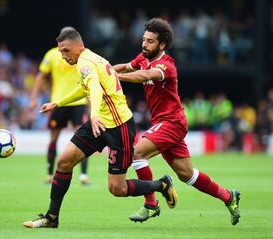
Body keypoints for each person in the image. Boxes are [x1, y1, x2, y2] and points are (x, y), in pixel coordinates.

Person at [23, 26, 177, 228]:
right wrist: (58, 103)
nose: (63, 56)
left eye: (66, 51)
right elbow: (85, 87)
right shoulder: (89, 59)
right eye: (60, 51)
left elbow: (94, 87)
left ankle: (161, 184)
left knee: (117, 189)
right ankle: (51, 218)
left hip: (118, 126)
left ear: (79, 46)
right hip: (100, 122)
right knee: (64, 162)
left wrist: (94, 114)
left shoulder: (85, 63)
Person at [113, 18, 241, 225]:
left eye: (150, 41)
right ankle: (229, 196)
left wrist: (114, 77)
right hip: (166, 123)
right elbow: (127, 67)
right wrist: (105, 69)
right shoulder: (143, 57)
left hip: (172, 122)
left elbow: (143, 75)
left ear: (162, 44)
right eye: (144, 39)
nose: (144, 44)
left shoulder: (166, 66)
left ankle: (151, 204)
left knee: (137, 153)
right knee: (187, 175)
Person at [30, 43, 89, 185]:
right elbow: (41, 76)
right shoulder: (51, 55)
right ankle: (50, 174)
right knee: (53, 139)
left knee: (83, 139)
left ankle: (83, 176)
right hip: (57, 102)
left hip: (78, 102)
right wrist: (33, 97)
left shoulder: (81, 54)